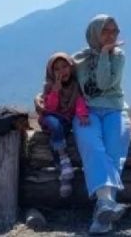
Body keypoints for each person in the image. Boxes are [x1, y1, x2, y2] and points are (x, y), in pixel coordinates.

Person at [72, 14, 131, 235]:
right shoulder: (78, 58)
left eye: (114, 31)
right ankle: (107, 206)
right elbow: (64, 81)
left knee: (115, 152)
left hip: (115, 109)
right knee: (92, 147)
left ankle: (102, 214)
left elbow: (106, 83)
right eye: (105, 31)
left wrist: (106, 53)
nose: (111, 35)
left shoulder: (118, 56)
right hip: (87, 111)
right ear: (94, 33)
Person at [34, 52, 89, 198]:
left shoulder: (76, 86)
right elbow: (49, 109)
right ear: (51, 72)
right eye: (56, 69)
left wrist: (82, 115)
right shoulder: (49, 86)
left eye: (64, 66)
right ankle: (64, 158)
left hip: (66, 119)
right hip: (51, 118)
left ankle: (65, 177)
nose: (61, 71)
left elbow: (79, 102)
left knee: (56, 138)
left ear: (71, 67)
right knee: (55, 126)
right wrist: (55, 92)